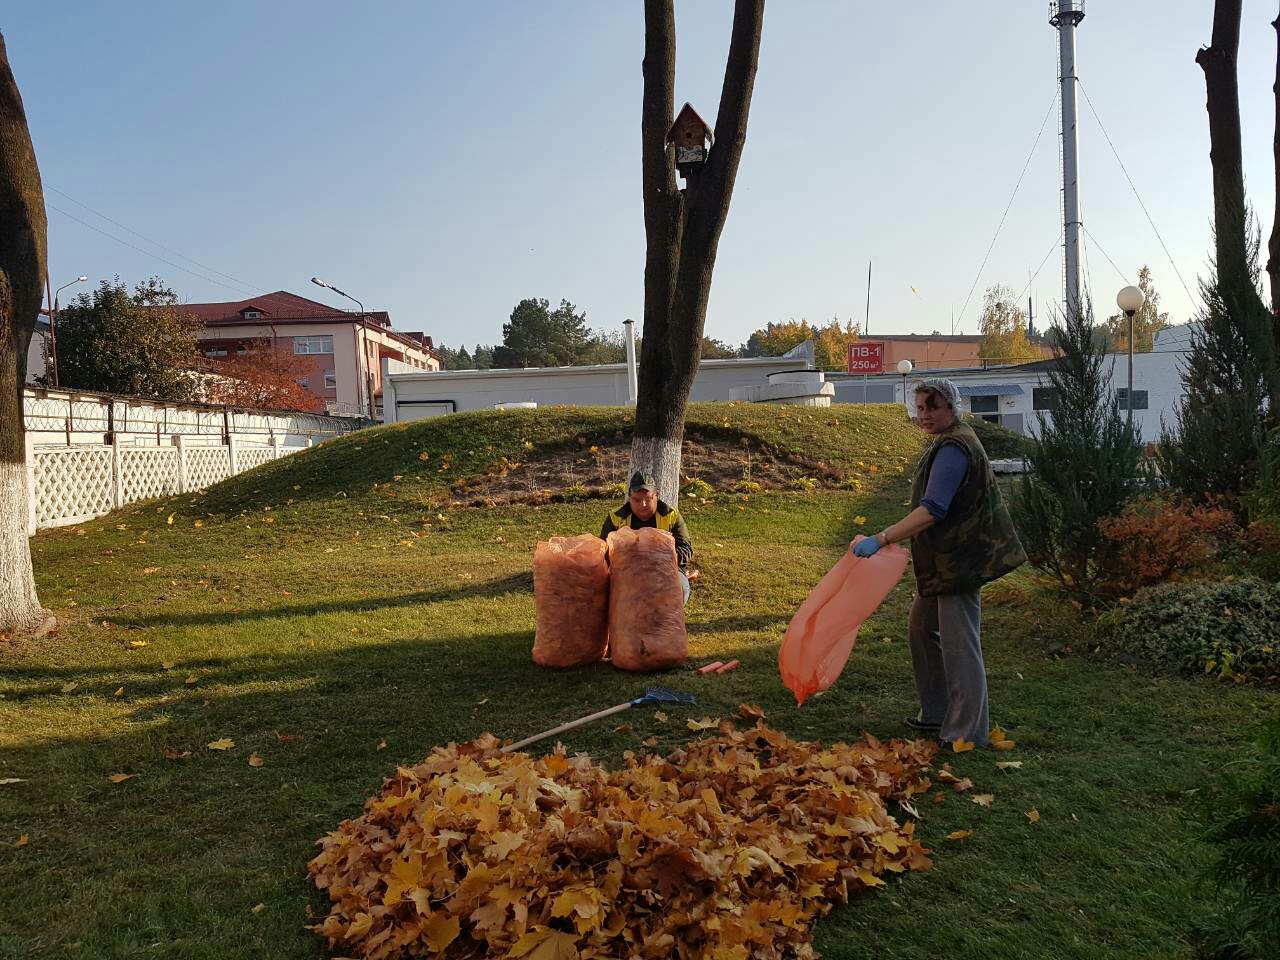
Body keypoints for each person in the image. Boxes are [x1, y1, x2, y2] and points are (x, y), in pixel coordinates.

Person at [851, 378, 1026, 747]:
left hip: (959, 562)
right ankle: (936, 712)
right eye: (920, 408)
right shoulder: (948, 440)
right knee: (921, 627)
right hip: (944, 561)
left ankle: (966, 732)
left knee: (961, 645)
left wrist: (881, 538)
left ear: (953, 407)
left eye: (933, 407)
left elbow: (933, 509)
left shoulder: (955, 448)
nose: (925, 415)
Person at [600, 472, 694, 604]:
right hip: (625, 572)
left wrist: (661, 560)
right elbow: (603, 551)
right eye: (637, 500)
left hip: (667, 570)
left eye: (648, 499)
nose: (643, 504)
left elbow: (686, 549)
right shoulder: (616, 517)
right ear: (629, 497)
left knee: (679, 590)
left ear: (657, 495)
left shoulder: (671, 515)